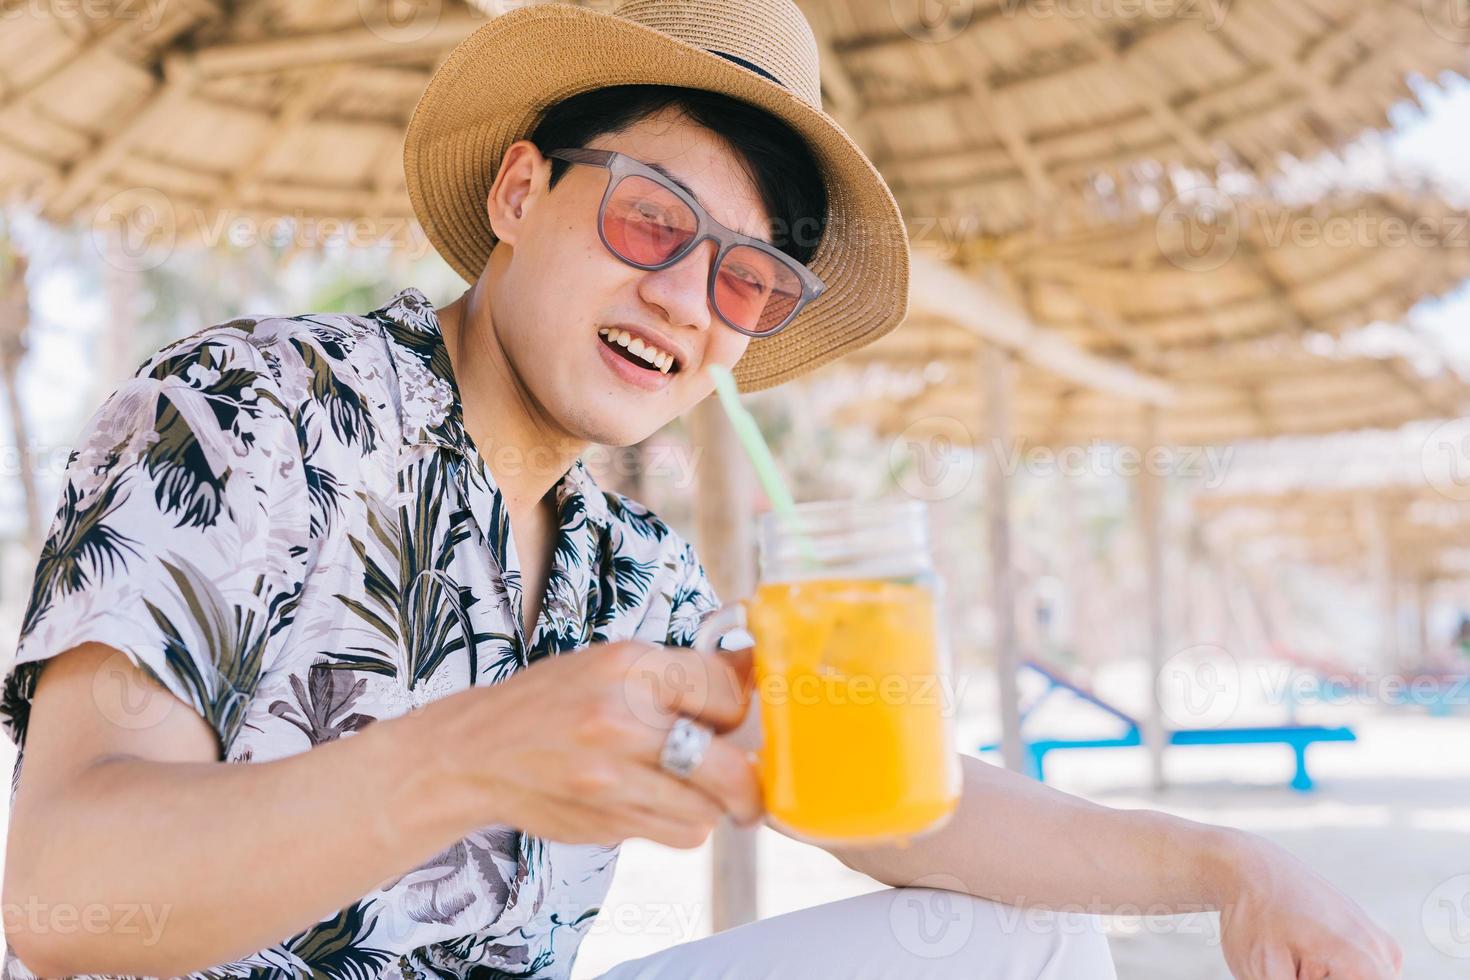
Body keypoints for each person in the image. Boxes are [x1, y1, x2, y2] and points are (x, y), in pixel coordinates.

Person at [0, 1, 1401, 978]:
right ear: (515, 193)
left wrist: (1229, 864)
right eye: (649, 221)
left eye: (741, 277)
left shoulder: (632, 572)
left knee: (1022, 943)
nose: (683, 299)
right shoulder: (251, 411)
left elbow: (907, 806)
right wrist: (465, 754)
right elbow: (62, 892)